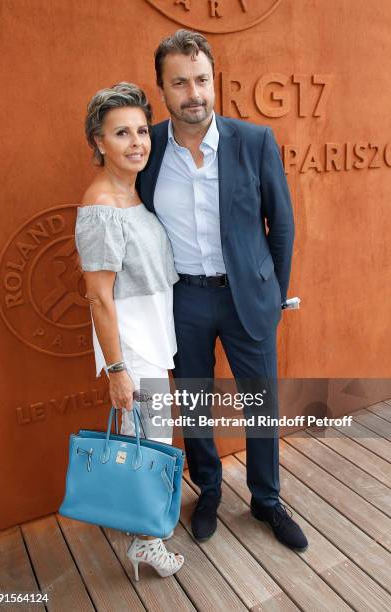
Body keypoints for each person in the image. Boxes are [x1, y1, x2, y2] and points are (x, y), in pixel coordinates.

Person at [137, 30, 309, 551]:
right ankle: (207, 489)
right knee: (194, 400)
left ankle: (267, 499)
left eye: (203, 80)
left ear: (215, 81)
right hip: (183, 298)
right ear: (163, 89)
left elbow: (280, 224)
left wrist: (273, 295)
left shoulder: (253, 141)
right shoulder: (150, 148)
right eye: (181, 82)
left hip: (246, 297)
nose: (194, 93)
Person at [75, 82, 184, 580]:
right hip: (132, 351)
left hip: (149, 342)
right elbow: (99, 295)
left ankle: (145, 532)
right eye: (122, 133)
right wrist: (118, 369)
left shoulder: (130, 193)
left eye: (142, 130)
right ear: (98, 142)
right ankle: (146, 542)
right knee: (147, 439)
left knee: (147, 437)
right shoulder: (100, 206)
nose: (137, 141)